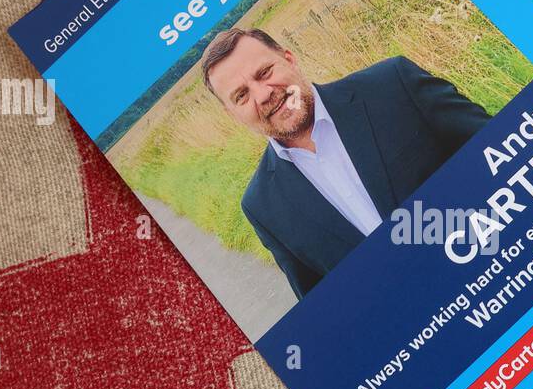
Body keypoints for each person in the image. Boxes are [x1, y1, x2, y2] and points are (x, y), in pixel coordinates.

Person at [200, 27, 490, 298]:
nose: (263, 94)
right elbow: (329, 308)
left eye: (264, 72)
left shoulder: (393, 84)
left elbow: (501, 152)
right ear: (232, 114)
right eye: (241, 96)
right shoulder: (262, 207)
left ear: (289, 59)